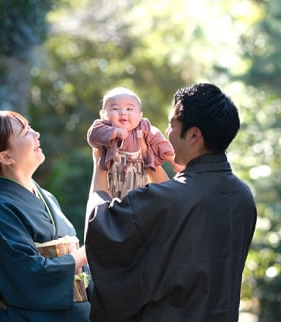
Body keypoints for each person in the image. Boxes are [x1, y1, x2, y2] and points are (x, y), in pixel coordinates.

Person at [84, 83, 257, 321]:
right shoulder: (242, 195)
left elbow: (101, 226)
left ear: (194, 134)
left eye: (172, 124)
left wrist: (100, 163)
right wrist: (151, 164)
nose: (167, 132)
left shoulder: (168, 198)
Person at [0, 110, 90, 321]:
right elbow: (30, 274)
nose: (36, 134)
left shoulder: (47, 197)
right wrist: (86, 253)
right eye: (25, 132)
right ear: (6, 157)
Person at [87, 86, 184, 199]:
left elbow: (159, 142)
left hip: (138, 180)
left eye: (129, 109)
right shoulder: (102, 127)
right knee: (110, 205)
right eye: (115, 109)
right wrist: (115, 133)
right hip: (111, 181)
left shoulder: (143, 127)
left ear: (140, 116)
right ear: (103, 114)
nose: (122, 112)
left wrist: (172, 159)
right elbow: (93, 137)